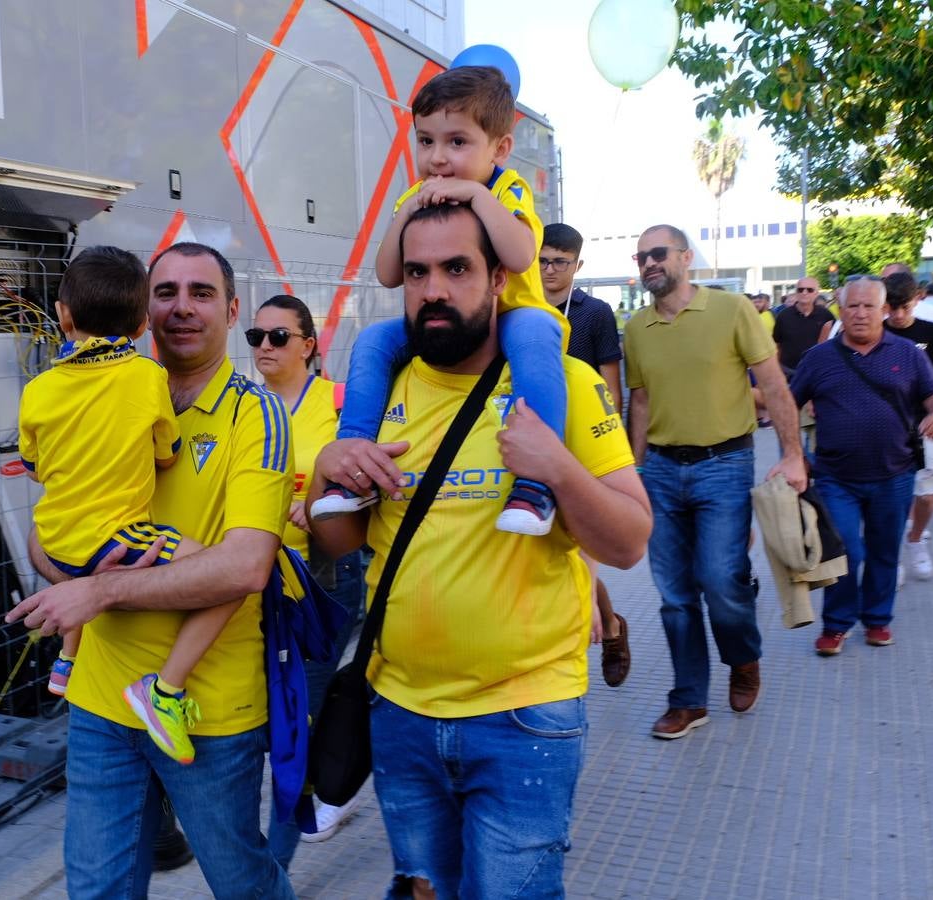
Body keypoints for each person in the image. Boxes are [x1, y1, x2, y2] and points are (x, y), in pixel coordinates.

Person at [308, 201, 651, 898]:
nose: (433, 289)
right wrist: (329, 468)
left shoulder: (565, 387)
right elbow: (340, 544)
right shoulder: (379, 396)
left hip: (525, 717)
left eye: (456, 269)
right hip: (399, 713)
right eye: (417, 272)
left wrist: (555, 467)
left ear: (497, 279)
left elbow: (628, 542)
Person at [7, 242, 297, 899]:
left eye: (200, 294)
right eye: (165, 292)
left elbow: (246, 567)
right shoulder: (97, 396)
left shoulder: (257, 417)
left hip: (205, 715)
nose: (182, 308)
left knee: (241, 883)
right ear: (143, 311)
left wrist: (101, 587)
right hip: (100, 703)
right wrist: (64, 567)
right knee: (97, 889)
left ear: (230, 310)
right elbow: (46, 540)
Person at [313, 64, 570, 536]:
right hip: (443, 319)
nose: (437, 158)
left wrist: (475, 195)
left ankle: (538, 480)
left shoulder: (503, 189)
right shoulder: (416, 196)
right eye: (425, 141)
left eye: (457, 142)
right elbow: (388, 273)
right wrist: (407, 209)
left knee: (536, 337)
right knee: (372, 341)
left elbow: (518, 255)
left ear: (500, 149)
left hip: (514, 315)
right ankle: (354, 460)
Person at [625, 224, 806, 740]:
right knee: (675, 595)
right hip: (659, 469)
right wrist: (632, 473)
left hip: (724, 465)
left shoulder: (732, 310)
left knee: (721, 582)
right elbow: (638, 403)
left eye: (657, 254)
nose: (648, 264)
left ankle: (743, 657)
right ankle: (688, 700)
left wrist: (794, 455)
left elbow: (772, 383)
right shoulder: (637, 328)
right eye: (640, 258)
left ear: (685, 257)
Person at [247, 294, 366, 864]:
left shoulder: (340, 403)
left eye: (278, 337)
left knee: (299, 721)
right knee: (265, 723)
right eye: (256, 336)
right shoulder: (244, 407)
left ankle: (278, 865)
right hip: (252, 583)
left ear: (308, 346)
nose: (264, 347)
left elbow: (372, 481)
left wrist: (324, 505)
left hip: (322, 579)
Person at [790, 275, 933, 655]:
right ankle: (837, 624)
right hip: (835, 476)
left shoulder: (908, 353)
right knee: (846, 551)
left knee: (883, 550)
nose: (860, 314)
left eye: (868, 306)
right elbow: (787, 405)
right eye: (852, 306)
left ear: (883, 310)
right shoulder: (819, 357)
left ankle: (878, 620)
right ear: (841, 310)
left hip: (894, 473)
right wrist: (793, 453)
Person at [539, 221, 632, 686]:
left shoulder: (594, 313)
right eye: (542, 260)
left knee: (580, 542)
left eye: (560, 261)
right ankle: (609, 623)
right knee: (554, 544)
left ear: (578, 265)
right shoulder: (520, 308)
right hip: (534, 435)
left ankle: (603, 623)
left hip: (583, 437)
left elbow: (610, 379)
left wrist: (608, 440)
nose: (549, 270)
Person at [881, 271, 933, 580]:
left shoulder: (932, 333)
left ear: (917, 299)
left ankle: (915, 541)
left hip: (924, 424)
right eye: (892, 308)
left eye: (905, 307)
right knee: (888, 498)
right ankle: (892, 557)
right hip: (885, 427)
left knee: (926, 493)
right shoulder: (875, 331)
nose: (898, 315)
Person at [772, 276, 834, 372]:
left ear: (816, 294)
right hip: (788, 371)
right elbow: (776, 344)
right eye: (800, 290)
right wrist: (776, 369)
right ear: (796, 292)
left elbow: (834, 340)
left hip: (815, 371)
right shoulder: (784, 315)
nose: (804, 293)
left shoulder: (825, 314)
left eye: (809, 290)